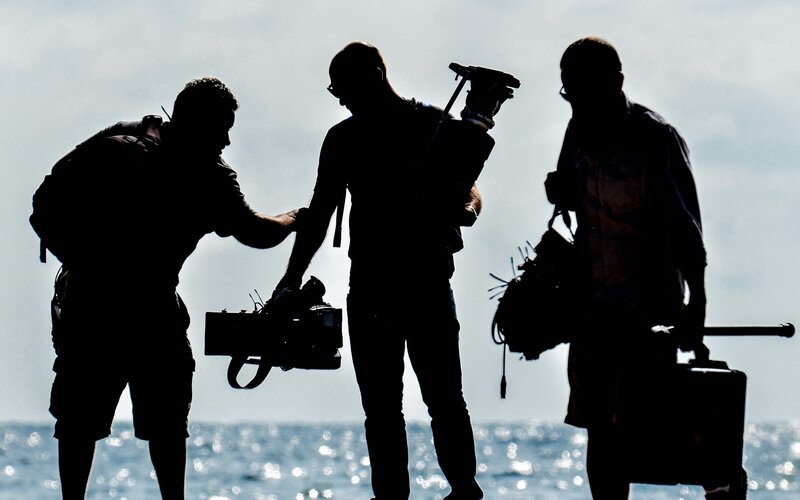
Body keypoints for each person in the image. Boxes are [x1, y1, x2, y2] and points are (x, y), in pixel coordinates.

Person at [30, 77, 303, 499]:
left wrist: (81, 264)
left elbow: (43, 204)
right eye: (223, 127)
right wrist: (294, 217)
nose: (228, 140)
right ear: (198, 122)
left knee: (84, 426)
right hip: (140, 314)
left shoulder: (117, 141)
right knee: (161, 429)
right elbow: (257, 232)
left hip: (91, 306)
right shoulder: (207, 177)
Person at [274, 41, 513, 499]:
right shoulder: (343, 139)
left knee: (443, 401)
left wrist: (468, 207)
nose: (341, 99)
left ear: (376, 76)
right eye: (335, 91)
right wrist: (290, 278)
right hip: (372, 289)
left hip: (423, 283)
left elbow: (471, 188)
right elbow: (319, 216)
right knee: (385, 410)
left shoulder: (433, 124)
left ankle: (464, 490)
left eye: (343, 88)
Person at [544, 37, 744, 499]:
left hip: (647, 311)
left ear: (616, 82)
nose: (576, 102)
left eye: (584, 90)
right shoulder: (575, 131)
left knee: (660, 428)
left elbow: (686, 228)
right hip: (592, 310)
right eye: (568, 93)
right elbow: (572, 205)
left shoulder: (655, 137)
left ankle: (723, 487)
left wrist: (698, 305)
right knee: (599, 429)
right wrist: (560, 191)